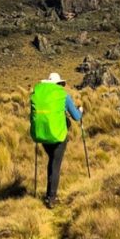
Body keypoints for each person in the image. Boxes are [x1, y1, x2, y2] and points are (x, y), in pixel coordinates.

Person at [30, 72, 82, 209]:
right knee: (55, 164)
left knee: (52, 161)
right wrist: (81, 111)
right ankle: (51, 198)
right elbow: (76, 117)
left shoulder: (40, 96)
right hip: (58, 136)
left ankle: (49, 193)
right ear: (58, 84)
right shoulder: (64, 96)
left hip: (43, 135)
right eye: (60, 84)